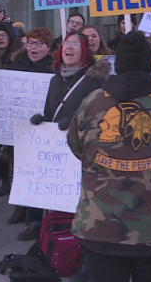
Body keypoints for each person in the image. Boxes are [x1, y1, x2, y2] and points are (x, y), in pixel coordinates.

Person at [67, 30, 151, 282]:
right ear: (149, 65)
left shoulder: (91, 103)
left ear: (118, 66)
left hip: (101, 228)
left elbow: (78, 148)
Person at [24, 31, 110, 243]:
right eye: (66, 44)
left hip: (82, 151)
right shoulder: (56, 80)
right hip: (58, 154)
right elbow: (49, 111)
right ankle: (55, 241)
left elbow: (99, 114)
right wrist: (41, 120)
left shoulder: (93, 81)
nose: (69, 48)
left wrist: (73, 120)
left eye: (75, 44)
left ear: (84, 51)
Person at [3, 27, 55, 224]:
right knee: (17, 170)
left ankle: (35, 220)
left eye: (39, 44)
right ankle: (20, 207)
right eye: (31, 43)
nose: (34, 47)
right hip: (19, 128)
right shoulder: (15, 65)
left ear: (47, 48)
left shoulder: (53, 68)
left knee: (36, 173)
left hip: (42, 129)